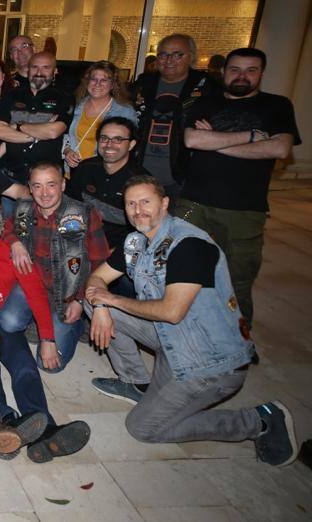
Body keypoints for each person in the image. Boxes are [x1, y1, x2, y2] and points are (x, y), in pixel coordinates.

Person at [84, 175, 298, 467]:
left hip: (209, 363)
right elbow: (97, 278)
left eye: (145, 202)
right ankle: (136, 382)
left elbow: (172, 311)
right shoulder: (136, 242)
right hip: (173, 340)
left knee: (143, 427)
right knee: (92, 300)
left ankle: (259, 420)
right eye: (131, 204)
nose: (138, 210)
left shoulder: (189, 245)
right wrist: (99, 306)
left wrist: (111, 300)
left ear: (165, 203)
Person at [0, 204, 91, 462]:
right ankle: (2, 421)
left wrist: (47, 338)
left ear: (1, 229)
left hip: (1, 323)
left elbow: (35, 293)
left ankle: (44, 429)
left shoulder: (13, 254)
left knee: (25, 366)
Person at [178, 47, 300, 328]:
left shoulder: (277, 106)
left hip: (244, 208)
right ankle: (188, 332)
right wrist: (253, 137)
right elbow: (193, 141)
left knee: (237, 279)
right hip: (195, 202)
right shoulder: (205, 102)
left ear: (261, 73)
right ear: (224, 72)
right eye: (235, 70)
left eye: (251, 70)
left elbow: (280, 148)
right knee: (184, 267)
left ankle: (239, 342)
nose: (242, 76)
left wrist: (215, 142)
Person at [4, 160, 109, 372]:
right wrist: (14, 242)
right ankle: (39, 319)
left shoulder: (84, 214)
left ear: (62, 185)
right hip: (33, 287)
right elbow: (5, 230)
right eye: (37, 185)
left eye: (51, 184)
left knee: (49, 367)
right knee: (7, 323)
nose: (44, 193)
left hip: (69, 294)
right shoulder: (23, 208)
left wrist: (80, 300)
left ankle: (78, 323)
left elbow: (99, 263)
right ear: (30, 188)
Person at [131, 33, 216, 197]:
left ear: (191, 57)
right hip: (140, 171)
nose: (169, 60)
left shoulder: (207, 87)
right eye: (163, 54)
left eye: (177, 54)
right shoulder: (144, 83)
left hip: (184, 174)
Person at [68, 117, 150, 252]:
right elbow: (69, 208)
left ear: (131, 144)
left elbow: (144, 231)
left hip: (119, 252)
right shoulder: (84, 169)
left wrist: (112, 256)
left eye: (118, 139)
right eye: (104, 138)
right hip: (80, 244)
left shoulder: (141, 182)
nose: (109, 144)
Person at [0, 51, 74, 185]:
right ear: (28, 69)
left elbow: (53, 132)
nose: (39, 72)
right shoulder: (11, 95)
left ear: (55, 71)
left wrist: (18, 126)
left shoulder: (64, 98)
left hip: (45, 182)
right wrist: (38, 134)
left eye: (46, 67)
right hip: (12, 176)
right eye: (34, 67)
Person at [63, 60, 136, 170]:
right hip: (74, 172)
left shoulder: (125, 111)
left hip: (105, 172)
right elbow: (65, 135)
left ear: (112, 85)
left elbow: (129, 145)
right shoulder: (75, 105)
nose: (97, 84)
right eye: (93, 79)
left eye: (103, 80)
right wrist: (67, 151)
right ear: (87, 82)